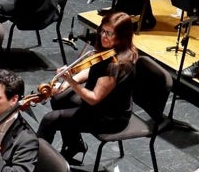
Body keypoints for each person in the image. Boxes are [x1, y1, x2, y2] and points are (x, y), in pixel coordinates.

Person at [37, 10, 137, 164]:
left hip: (109, 116)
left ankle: (37, 163)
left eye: (110, 33)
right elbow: (91, 69)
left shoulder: (116, 65)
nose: (104, 36)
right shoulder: (109, 50)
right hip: (102, 104)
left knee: (49, 120)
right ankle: (74, 145)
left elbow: (94, 99)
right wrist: (65, 84)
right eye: (103, 31)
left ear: (121, 36)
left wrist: (71, 82)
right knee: (59, 98)